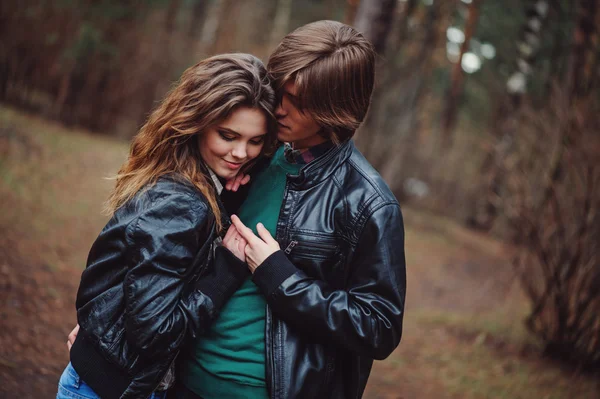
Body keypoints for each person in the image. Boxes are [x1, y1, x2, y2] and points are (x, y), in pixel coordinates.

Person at [174, 20, 406, 399]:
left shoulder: (368, 202)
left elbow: (378, 327)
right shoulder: (254, 155)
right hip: (182, 377)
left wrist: (282, 278)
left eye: (298, 103)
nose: (280, 109)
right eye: (281, 91)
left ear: (337, 108)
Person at [57, 53, 277, 399]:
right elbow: (154, 331)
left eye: (255, 141)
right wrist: (226, 270)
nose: (241, 153)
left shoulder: (189, 184)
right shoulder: (181, 204)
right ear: (197, 123)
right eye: (228, 135)